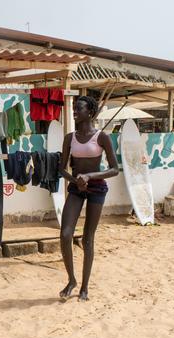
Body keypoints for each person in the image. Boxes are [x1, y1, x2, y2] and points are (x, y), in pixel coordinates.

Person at [58, 96, 119, 302]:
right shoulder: (69, 138)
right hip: (76, 188)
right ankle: (71, 280)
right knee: (65, 234)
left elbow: (114, 169)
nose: (74, 111)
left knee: (87, 238)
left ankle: (84, 286)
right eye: (74, 109)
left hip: (96, 188)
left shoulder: (102, 137)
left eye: (79, 109)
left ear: (90, 113)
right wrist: (75, 180)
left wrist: (90, 176)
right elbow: (61, 169)